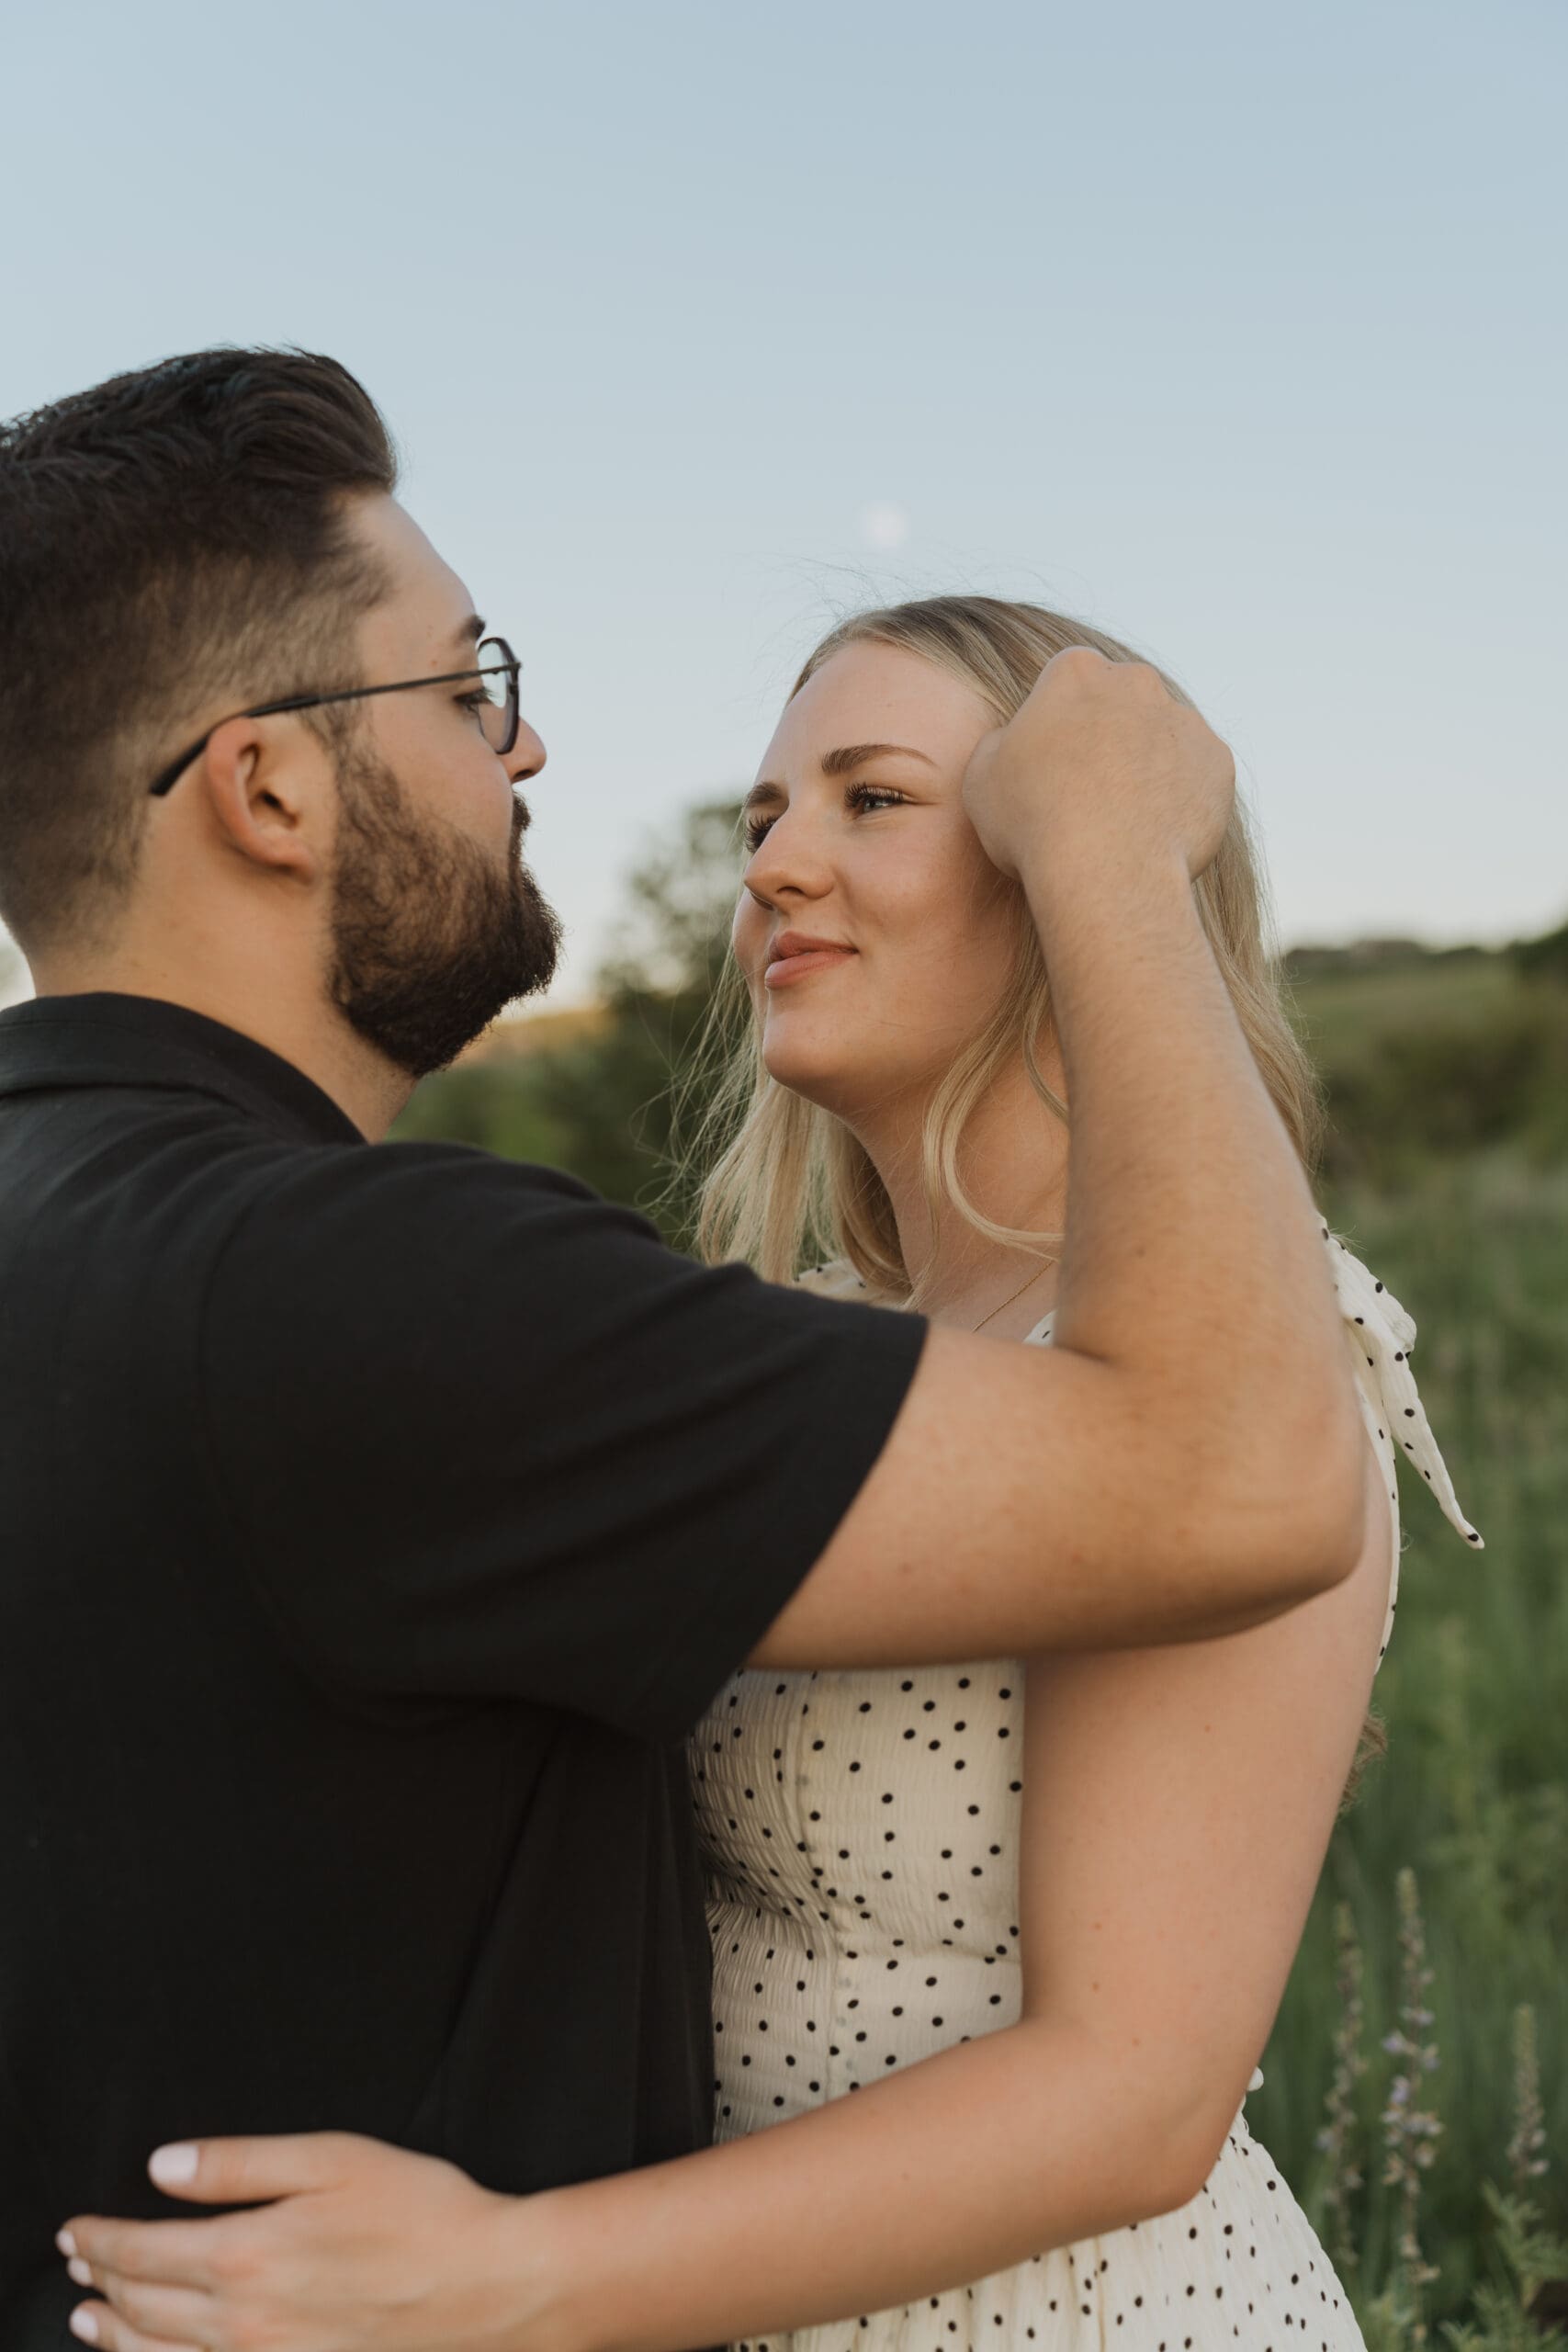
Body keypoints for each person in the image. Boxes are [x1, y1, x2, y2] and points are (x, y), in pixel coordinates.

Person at [0, 345, 1366, 2352]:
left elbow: (1142, 2075)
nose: (766, 860)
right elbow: (1227, 1474)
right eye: (470, 688)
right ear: (268, 781)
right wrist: (1115, 858)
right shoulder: (392, 1290)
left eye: (880, 798)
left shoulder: (88, 1229)